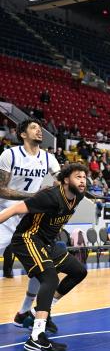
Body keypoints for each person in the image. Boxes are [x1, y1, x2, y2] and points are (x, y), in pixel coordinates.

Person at [0, 163, 89, 351]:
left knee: (79, 271)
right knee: (49, 278)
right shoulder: (49, 197)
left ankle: (38, 313)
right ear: (66, 180)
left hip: (47, 244)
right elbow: (14, 209)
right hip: (27, 238)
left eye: (84, 177)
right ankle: (36, 337)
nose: (82, 181)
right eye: (78, 177)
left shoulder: (79, 196)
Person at [0, 119, 62, 331]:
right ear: (22, 133)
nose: (40, 131)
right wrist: (33, 196)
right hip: (5, 214)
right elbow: (0, 189)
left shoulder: (48, 158)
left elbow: (61, 180)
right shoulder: (10, 155)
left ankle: (23, 312)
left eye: (40, 128)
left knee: (41, 266)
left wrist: (60, 187)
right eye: (34, 127)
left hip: (30, 218)